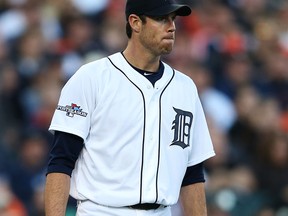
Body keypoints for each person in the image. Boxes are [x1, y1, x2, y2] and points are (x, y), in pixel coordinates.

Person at [44, 0, 215, 215]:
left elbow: (192, 174)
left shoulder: (185, 88)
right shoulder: (92, 78)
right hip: (102, 210)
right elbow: (61, 161)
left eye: (173, 19)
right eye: (162, 19)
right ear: (135, 22)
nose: (172, 26)